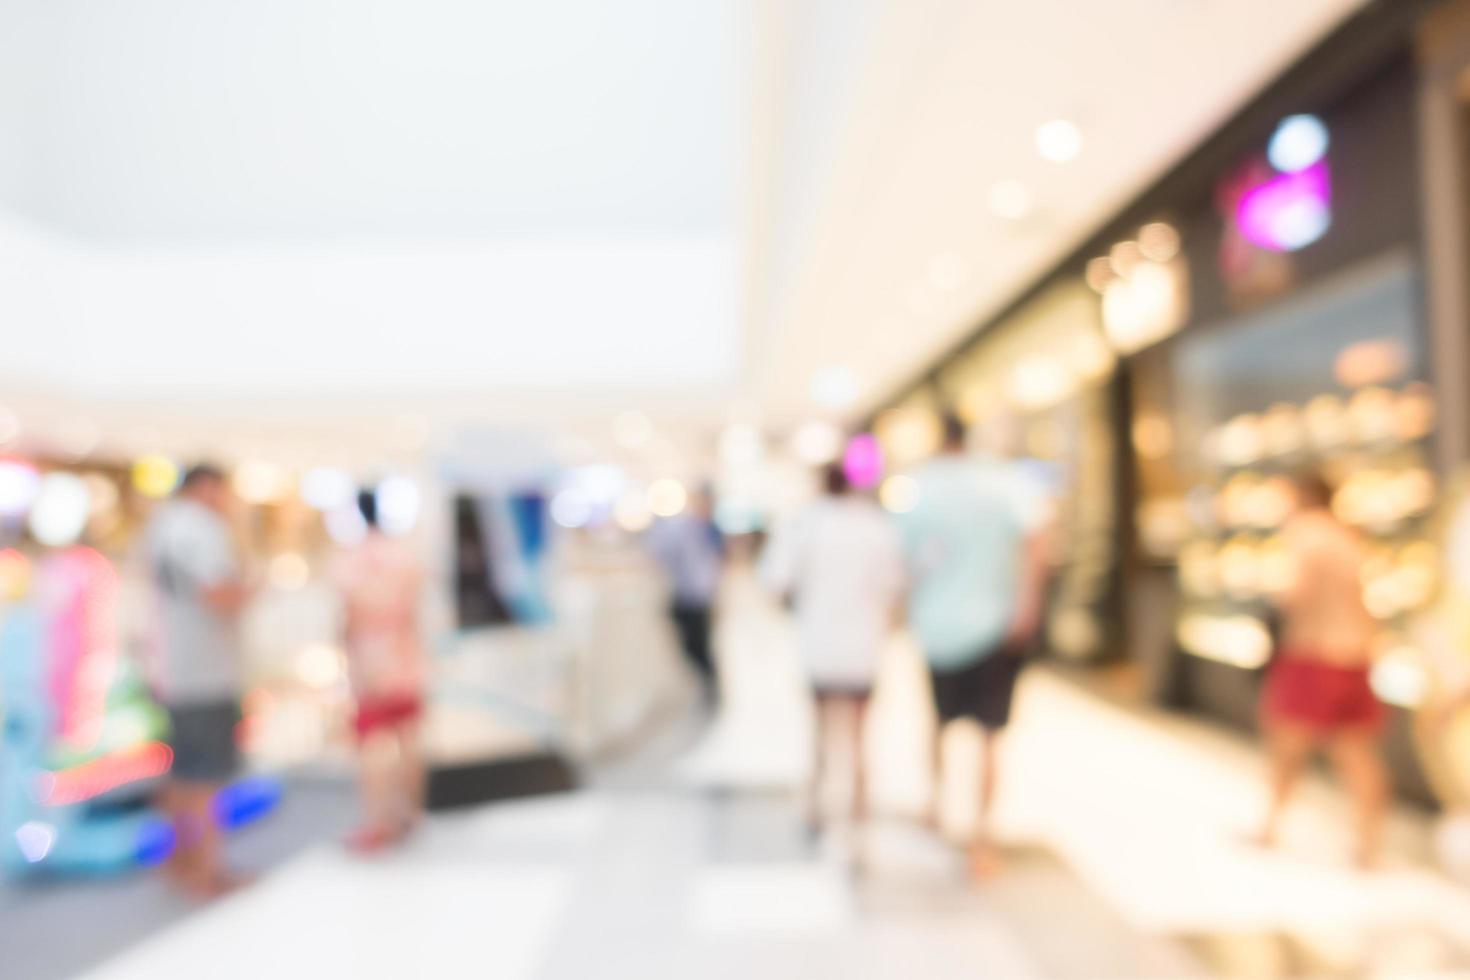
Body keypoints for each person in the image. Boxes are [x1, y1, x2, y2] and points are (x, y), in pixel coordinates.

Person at [898, 414, 1048, 878]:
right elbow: (1040, 539)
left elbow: (905, 558)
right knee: (988, 736)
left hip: (939, 627)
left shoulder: (922, 487)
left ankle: (936, 806)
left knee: (939, 723)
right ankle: (981, 835)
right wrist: (1027, 604)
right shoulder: (1002, 481)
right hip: (994, 626)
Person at [761, 463, 905, 846]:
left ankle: (816, 808)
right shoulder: (874, 525)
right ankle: (859, 814)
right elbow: (892, 586)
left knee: (820, 732)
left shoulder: (804, 525)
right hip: (862, 647)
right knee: (859, 736)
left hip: (819, 645)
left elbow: (776, 583)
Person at [1257, 471, 1388, 868]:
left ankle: (1270, 826)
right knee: (1356, 752)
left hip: (1313, 654)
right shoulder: (1347, 536)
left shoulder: (1304, 533)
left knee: (1287, 745)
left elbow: (1295, 592)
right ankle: (1368, 844)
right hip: (1355, 654)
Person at [146, 463, 250, 897]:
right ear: (207, 487)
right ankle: (209, 871)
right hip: (202, 671)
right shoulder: (200, 529)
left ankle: (181, 861)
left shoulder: (161, 525)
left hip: (172, 666)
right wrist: (251, 589)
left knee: (183, 771)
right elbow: (219, 593)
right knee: (205, 775)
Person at [330, 488, 427, 853]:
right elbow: (414, 610)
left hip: (372, 658)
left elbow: (349, 614)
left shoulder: (351, 560)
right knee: (407, 740)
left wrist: (350, 659)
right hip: (406, 655)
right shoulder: (403, 555)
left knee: (372, 746)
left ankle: (378, 821)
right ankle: (410, 813)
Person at [648, 487, 725, 702]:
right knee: (689, 644)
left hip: (701, 597)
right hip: (685, 594)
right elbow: (662, 554)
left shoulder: (710, 530)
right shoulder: (685, 528)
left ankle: (711, 686)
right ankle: (708, 684)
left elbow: (717, 564)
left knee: (700, 644)